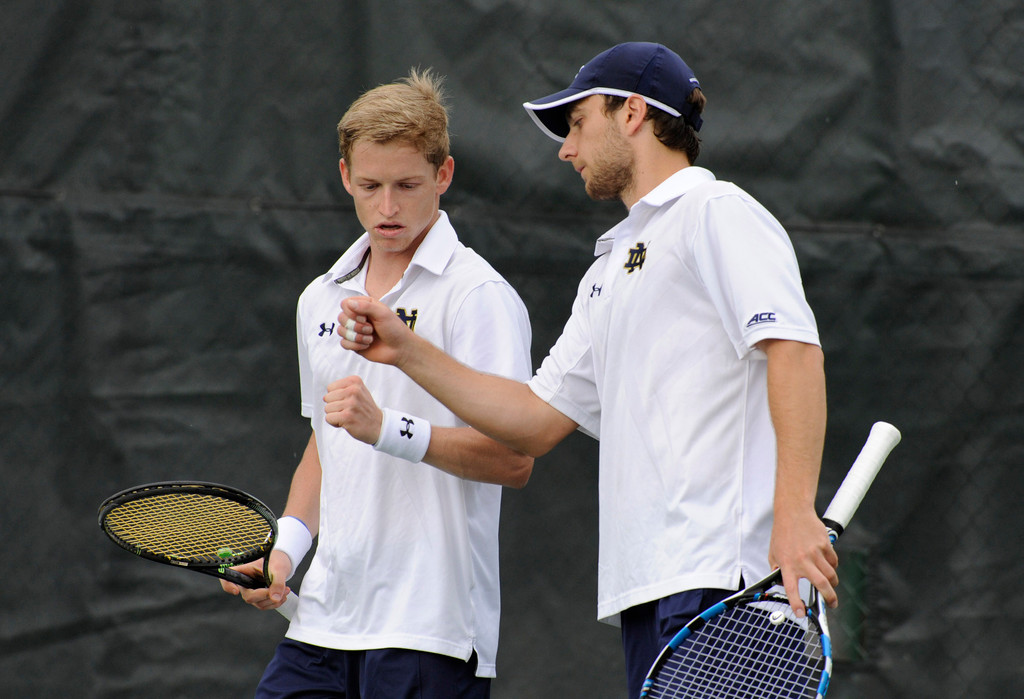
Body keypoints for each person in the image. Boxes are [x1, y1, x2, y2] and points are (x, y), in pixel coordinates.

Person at [337, 42, 838, 697]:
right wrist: (406, 350)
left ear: (633, 113)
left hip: (730, 579)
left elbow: (794, 348)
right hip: (647, 594)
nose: (566, 149)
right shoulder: (610, 267)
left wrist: (795, 511)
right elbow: (536, 420)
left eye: (577, 124)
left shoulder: (715, 212)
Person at [220, 68, 534, 698]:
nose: (387, 207)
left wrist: (387, 429)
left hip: (432, 632)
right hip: (322, 625)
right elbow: (325, 442)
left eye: (407, 185)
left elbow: (513, 458)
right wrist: (283, 554)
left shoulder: (480, 297)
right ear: (345, 178)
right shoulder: (318, 299)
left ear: (443, 176)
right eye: (370, 185)